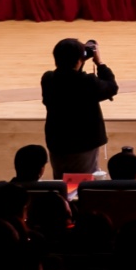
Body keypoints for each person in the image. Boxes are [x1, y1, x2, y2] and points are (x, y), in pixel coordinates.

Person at [41, 37, 118, 175]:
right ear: (78, 60)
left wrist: (80, 60)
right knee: (83, 181)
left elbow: (69, 75)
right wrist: (99, 63)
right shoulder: (88, 83)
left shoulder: (48, 79)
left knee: (61, 180)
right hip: (84, 144)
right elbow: (111, 87)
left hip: (58, 143)